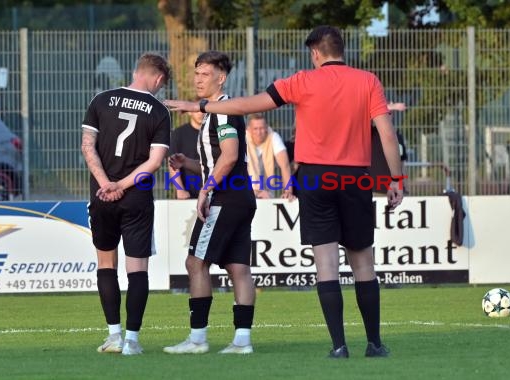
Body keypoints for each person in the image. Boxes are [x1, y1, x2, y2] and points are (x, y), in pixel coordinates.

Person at [164, 26, 404, 359]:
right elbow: (387, 136)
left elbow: (247, 105)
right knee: (364, 264)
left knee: (326, 266)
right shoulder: (368, 81)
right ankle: (375, 344)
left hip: (315, 179)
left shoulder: (301, 81)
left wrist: (200, 106)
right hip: (356, 178)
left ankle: (339, 346)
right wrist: (396, 180)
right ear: (341, 50)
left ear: (315, 54)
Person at [163, 50, 257, 355]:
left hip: (226, 199)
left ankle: (198, 339)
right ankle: (242, 342)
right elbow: (220, 158)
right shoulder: (215, 113)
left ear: (221, 77)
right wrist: (188, 163)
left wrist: (204, 190)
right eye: (196, 73)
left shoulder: (224, 110)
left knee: (195, 262)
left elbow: (229, 157)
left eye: (205, 73)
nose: (198, 79)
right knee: (238, 268)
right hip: (240, 197)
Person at [81, 53, 171, 355]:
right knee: (137, 269)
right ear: (158, 79)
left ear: (136, 72)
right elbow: (155, 160)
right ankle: (132, 340)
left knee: (106, 264)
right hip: (136, 199)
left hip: (101, 196)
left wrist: (106, 183)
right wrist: (121, 185)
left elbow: (87, 145)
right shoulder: (159, 110)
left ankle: (114, 335)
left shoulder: (101, 99)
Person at [246, 113, 294, 199]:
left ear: (267, 128)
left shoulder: (273, 137)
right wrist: (256, 192)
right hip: (245, 189)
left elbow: (285, 166)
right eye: (255, 129)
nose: (259, 132)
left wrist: (288, 192)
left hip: (267, 191)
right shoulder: (243, 139)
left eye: (262, 128)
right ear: (249, 129)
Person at [370, 102, 409, 194]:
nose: (387, 115)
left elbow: (402, 163)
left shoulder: (397, 136)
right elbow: (367, 115)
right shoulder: (371, 133)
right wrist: (393, 106)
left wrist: (404, 185)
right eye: (385, 112)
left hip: (392, 189)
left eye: (390, 113)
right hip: (374, 189)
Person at [168, 106, 204, 199]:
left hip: (213, 192)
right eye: (196, 111)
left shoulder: (213, 134)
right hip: (188, 194)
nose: (200, 113)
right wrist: (180, 190)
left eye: (203, 110)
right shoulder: (178, 134)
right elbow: (172, 163)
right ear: (189, 112)